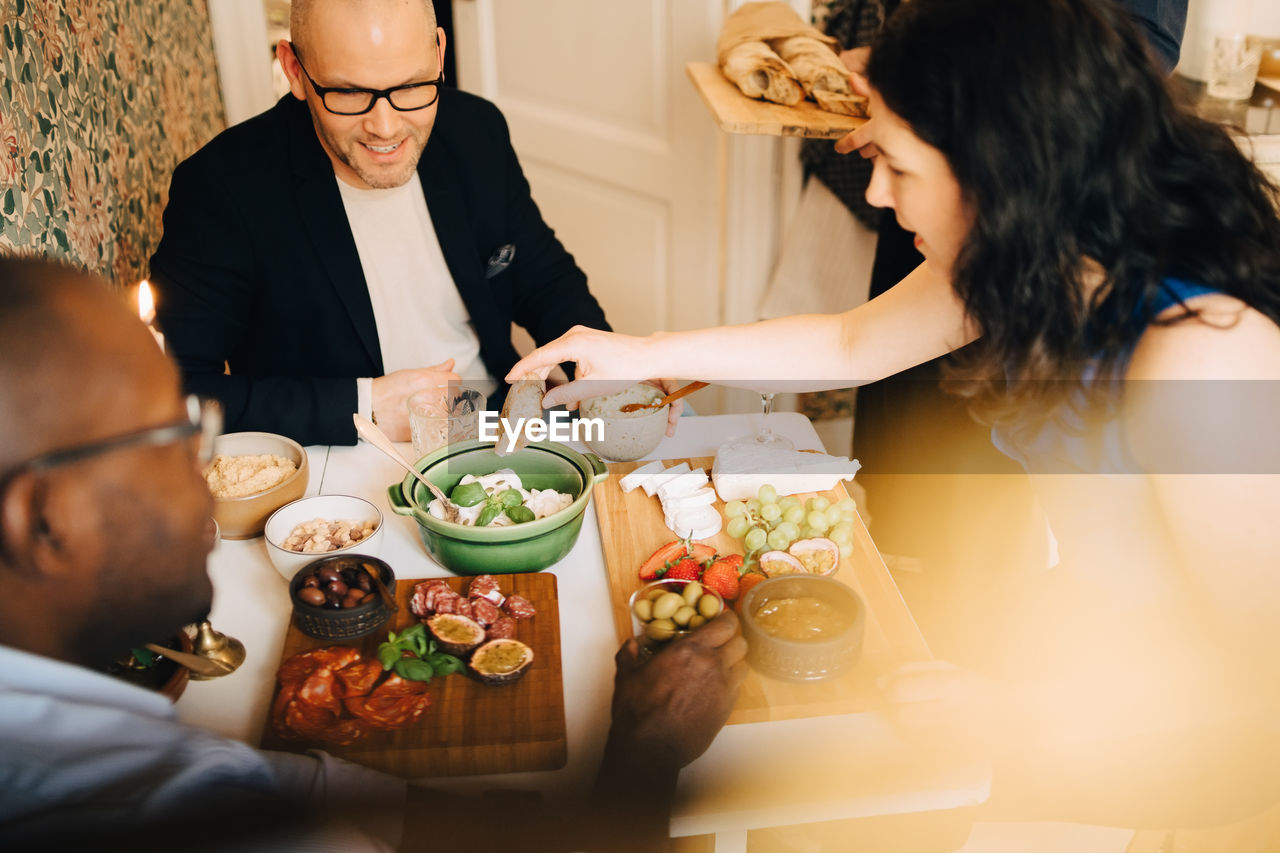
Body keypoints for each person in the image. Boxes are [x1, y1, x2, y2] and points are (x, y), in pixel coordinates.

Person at [508, 0, 1280, 827]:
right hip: (1086, 661)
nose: (875, 190)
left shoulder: (1199, 353)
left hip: (1174, 748)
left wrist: (1017, 716)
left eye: (900, 168)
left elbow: (1256, 682)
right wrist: (641, 352)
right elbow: (848, 343)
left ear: (1003, 170)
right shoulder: (1027, 255)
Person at [0, 256, 747, 850]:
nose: (212, 479)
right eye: (173, 441)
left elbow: (325, 798)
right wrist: (645, 758)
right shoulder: (162, 805)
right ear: (46, 519)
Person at [149, 0, 616, 448]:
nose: (387, 127)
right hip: (343, 454)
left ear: (438, 53)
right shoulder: (220, 187)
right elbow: (175, 394)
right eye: (349, 93)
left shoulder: (477, 130)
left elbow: (545, 280)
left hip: (495, 422)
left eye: (411, 86)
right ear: (294, 70)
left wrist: (606, 369)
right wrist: (363, 406)